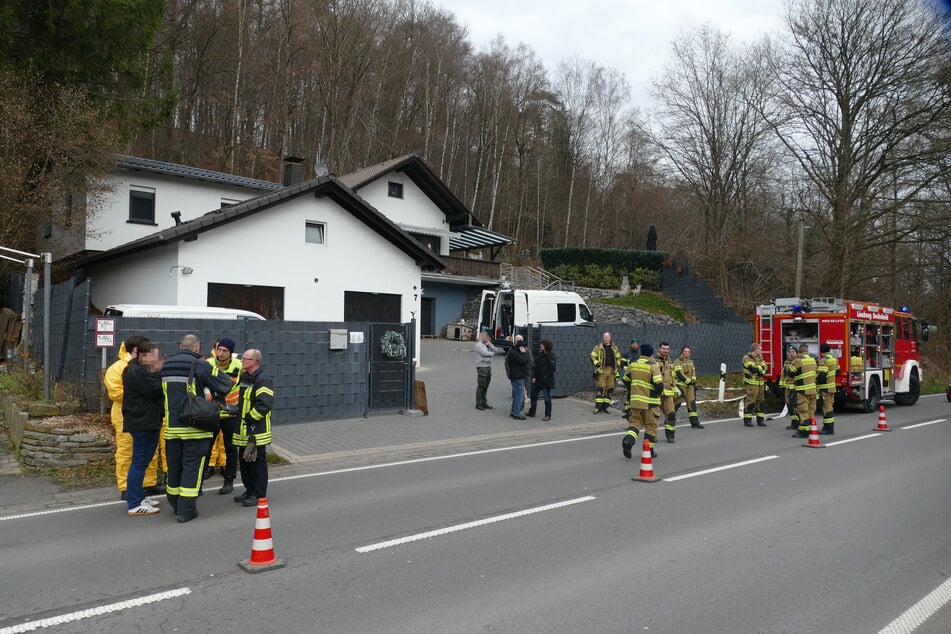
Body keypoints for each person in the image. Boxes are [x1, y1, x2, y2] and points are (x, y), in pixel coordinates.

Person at [161, 334, 234, 523]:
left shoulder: (166, 365)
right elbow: (225, 384)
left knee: (174, 467)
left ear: (180, 347)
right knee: (192, 467)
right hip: (195, 428)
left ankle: (175, 504)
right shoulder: (201, 365)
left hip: (171, 428)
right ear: (196, 348)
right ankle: (186, 511)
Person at [104, 335, 164, 501]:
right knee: (127, 453)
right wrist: (139, 396)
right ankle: (127, 489)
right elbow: (116, 393)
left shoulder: (141, 367)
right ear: (137, 351)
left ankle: (148, 484)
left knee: (147, 453)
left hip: (143, 415)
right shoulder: (118, 368)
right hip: (127, 416)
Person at [121, 341, 165, 516]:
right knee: (139, 462)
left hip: (148, 420)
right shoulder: (135, 371)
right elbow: (154, 390)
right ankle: (134, 503)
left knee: (143, 461)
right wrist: (161, 373)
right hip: (142, 422)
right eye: (154, 355)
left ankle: (138, 496)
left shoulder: (140, 370)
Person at [232, 349, 274, 507]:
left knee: (257, 464)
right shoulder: (246, 377)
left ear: (254, 362)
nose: (242, 360)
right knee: (245, 463)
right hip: (244, 430)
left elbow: (264, 405)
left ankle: (258, 494)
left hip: (256, 431)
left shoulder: (263, 379)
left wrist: (250, 418)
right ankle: (249, 490)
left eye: (245, 358)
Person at [204, 337, 243, 494]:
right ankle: (200, 479)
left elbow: (245, 386)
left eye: (224, 351)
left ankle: (229, 480)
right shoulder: (208, 364)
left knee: (231, 449)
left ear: (230, 353)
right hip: (212, 413)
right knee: (205, 448)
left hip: (231, 414)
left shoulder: (238, 366)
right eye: (219, 349)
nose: (220, 353)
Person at [622, 344, 663, 459]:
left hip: (635, 402)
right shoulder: (653, 366)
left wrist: (634, 389)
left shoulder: (633, 365)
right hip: (650, 403)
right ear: (651, 354)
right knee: (651, 426)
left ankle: (628, 441)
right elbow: (659, 386)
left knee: (635, 424)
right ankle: (649, 451)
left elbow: (625, 380)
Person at [791, 343, 818, 438]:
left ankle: (803, 431)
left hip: (802, 390)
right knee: (811, 410)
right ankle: (811, 428)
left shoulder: (798, 361)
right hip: (813, 390)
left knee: (803, 411)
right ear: (807, 351)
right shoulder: (813, 360)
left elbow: (790, 372)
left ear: (799, 352)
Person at [673, 345, 703, 430]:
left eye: (688, 352)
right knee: (676, 404)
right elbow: (679, 373)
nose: (687, 353)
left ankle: (695, 423)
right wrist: (688, 381)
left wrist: (693, 380)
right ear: (682, 352)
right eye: (685, 351)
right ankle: (670, 421)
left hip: (690, 387)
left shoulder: (690, 361)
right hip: (681, 386)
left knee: (692, 404)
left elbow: (693, 372)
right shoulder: (677, 361)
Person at [590, 332, 622, 414]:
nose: (605, 339)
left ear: (610, 338)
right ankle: (598, 407)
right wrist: (597, 363)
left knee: (610, 389)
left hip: (611, 371)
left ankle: (605, 407)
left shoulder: (614, 348)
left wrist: (617, 366)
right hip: (602, 371)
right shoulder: (598, 347)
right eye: (604, 337)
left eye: (607, 337)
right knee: (600, 388)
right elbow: (592, 356)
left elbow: (619, 358)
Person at [527, 339, 556, 421]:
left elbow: (552, 369)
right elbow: (538, 367)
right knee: (533, 394)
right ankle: (532, 412)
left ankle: (548, 415)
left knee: (547, 398)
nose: (540, 346)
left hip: (547, 381)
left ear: (545, 346)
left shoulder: (551, 356)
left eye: (542, 344)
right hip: (539, 380)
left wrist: (545, 377)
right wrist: (535, 377)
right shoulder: (541, 354)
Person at [656, 341, 679, 442]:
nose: (665, 351)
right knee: (654, 417)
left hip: (668, 394)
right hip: (656, 394)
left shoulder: (670, 362)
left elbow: (673, 377)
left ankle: (670, 435)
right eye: (663, 349)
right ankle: (653, 436)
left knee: (671, 414)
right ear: (659, 349)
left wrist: (675, 389)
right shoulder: (654, 361)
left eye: (667, 349)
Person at [742, 343, 767, 427]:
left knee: (761, 403)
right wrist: (760, 368)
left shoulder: (760, 359)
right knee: (750, 402)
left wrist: (759, 370)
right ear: (756, 350)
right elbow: (752, 369)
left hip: (760, 384)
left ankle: (760, 420)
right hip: (751, 385)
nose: (761, 351)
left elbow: (765, 370)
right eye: (760, 349)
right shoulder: (746, 358)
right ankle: (747, 420)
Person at [505, 335, 530, 420]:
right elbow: (523, 361)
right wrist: (524, 353)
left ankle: (513, 411)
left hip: (514, 376)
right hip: (518, 376)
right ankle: (517, 413)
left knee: (516, 394)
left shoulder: (512, 351)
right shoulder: (515, 353)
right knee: (520, 395)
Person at [817, 343, 839, 435]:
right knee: (830, 407)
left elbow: (821, 375)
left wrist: (815, 378)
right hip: (832, 387)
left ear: (821, 351)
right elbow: (838, 373)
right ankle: (828, 428)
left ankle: (828, 429)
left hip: (825, 388)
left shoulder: (824, 360)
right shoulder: (834, 359)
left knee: (826, 408)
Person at [474, 329, 498, 411]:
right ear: (482, 337)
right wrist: (492, 354)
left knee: (486, 386)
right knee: (481, 386)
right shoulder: (478, 345)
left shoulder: (487, 344)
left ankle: (484, 402)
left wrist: (490, 345)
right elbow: (484, 353)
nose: (488, 338)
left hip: (488, 367)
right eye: (486, 336)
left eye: (488, 337)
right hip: (482, 367)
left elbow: (496, 350)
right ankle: (478, 403)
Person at [619, 338, 639, 419]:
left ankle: (630, 411)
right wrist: (627, 370)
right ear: (631, 345)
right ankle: (628, 411)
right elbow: (622, 364)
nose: (635, 345)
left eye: (636, 343)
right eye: (633, 343)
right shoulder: (627, 354)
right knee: (630, 393)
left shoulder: (640, 354)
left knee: (632, 394)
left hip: (638, 377)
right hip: (629, 377)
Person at [782, 347, 800, 431]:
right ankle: (793, 423)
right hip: (787, 387)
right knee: (789, 405)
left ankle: (798, 422)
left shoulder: (798, 361)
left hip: (795, 387)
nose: (791, 353)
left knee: (795, 405)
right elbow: (783, 374)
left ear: (797, 353)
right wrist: (781, 384)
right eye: (790, 352)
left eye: (793, 352)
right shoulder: (787, 362)